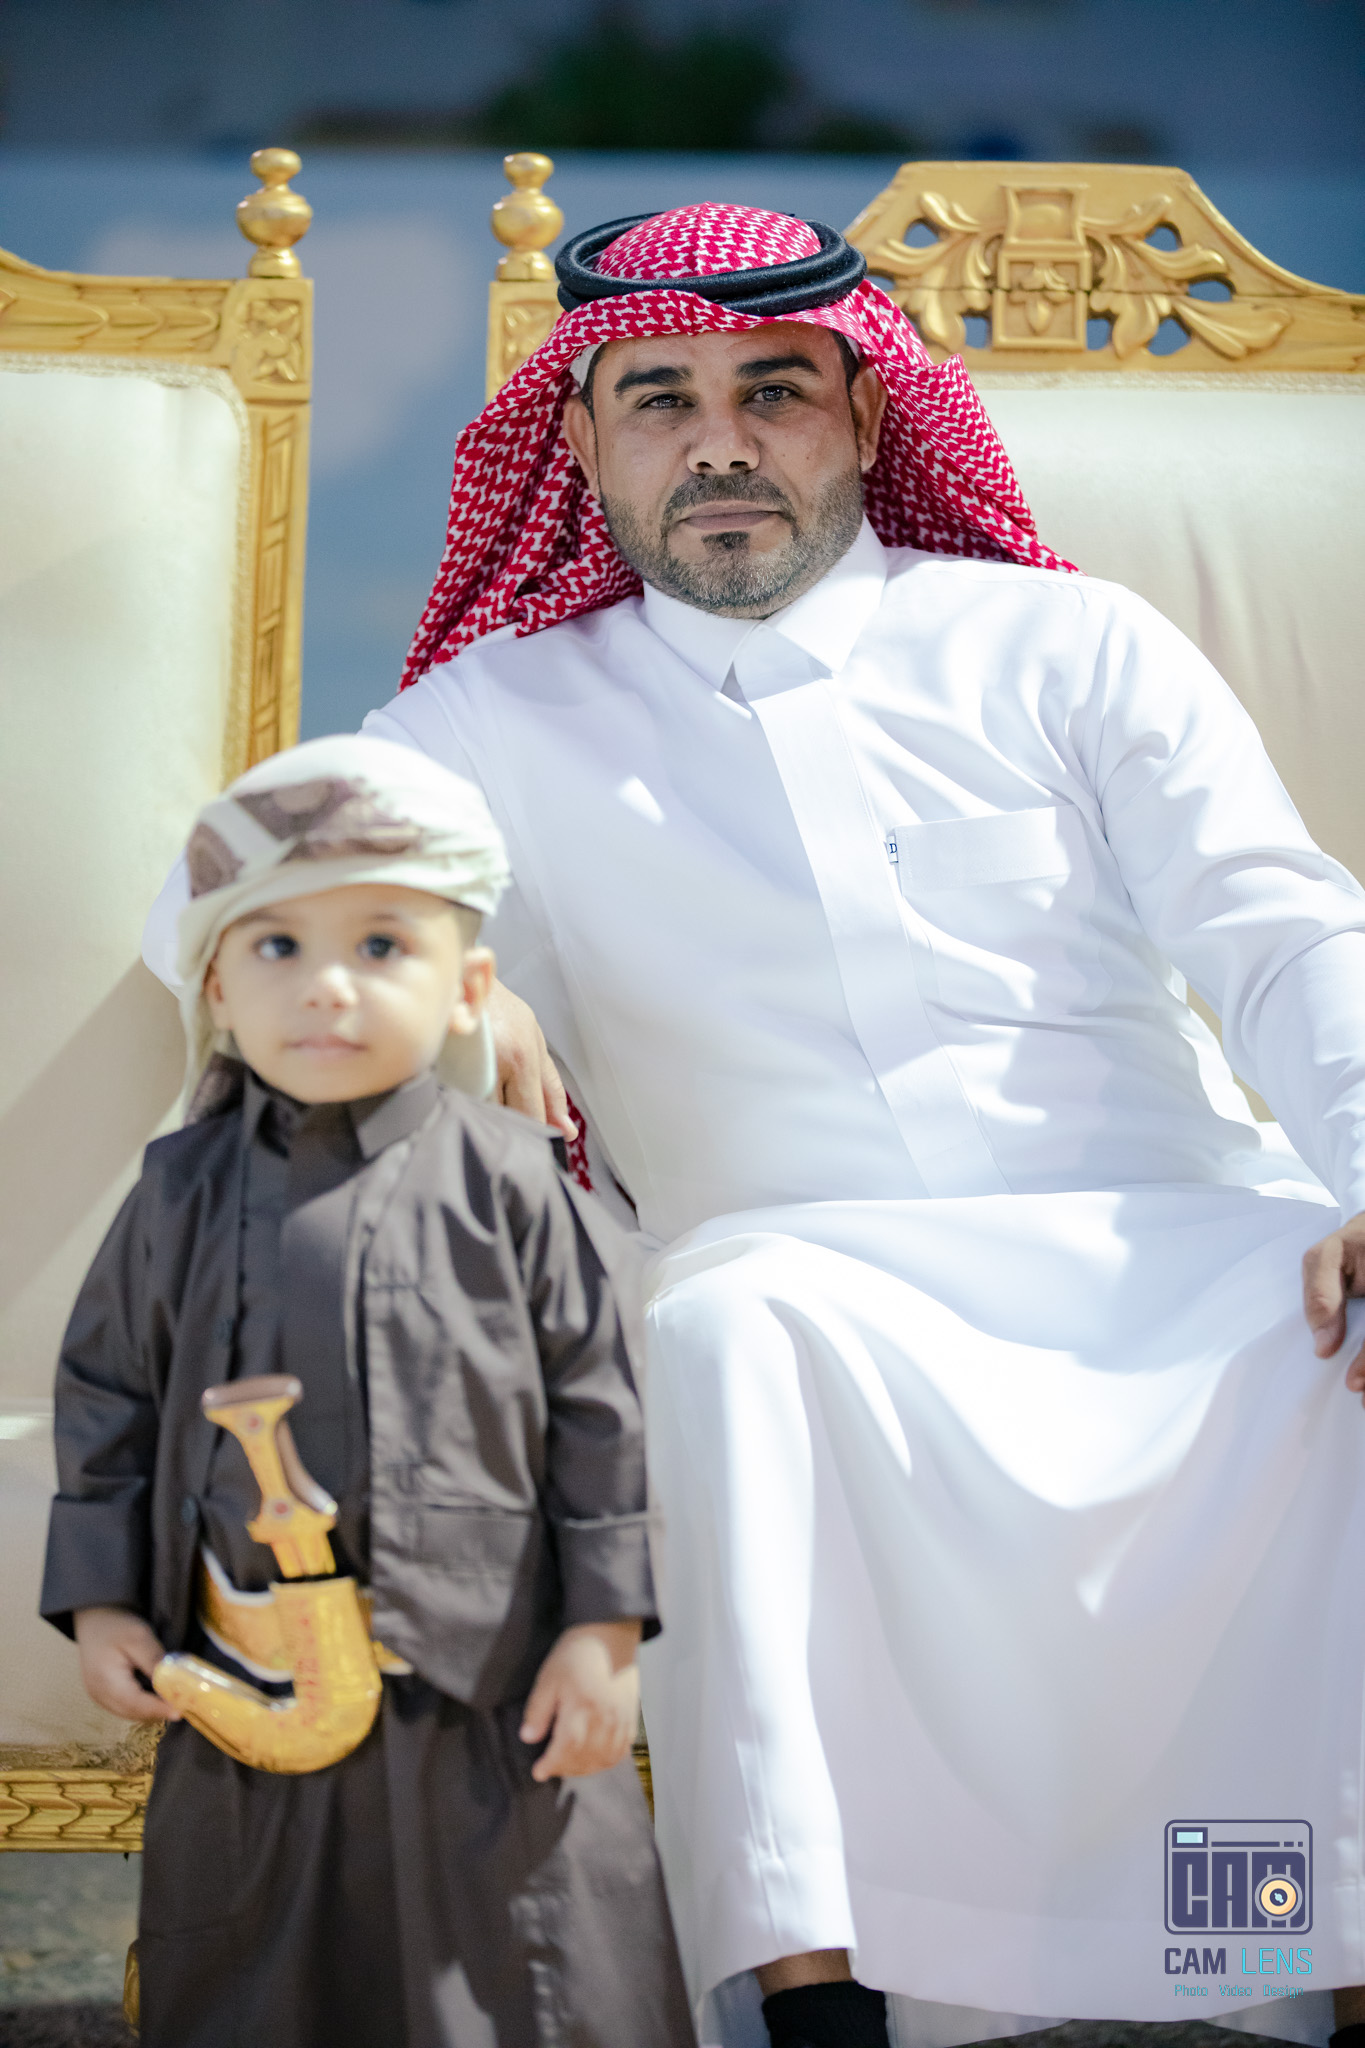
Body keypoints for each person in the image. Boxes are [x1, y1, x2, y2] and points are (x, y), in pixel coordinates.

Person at [140, 206, 1365, 2048]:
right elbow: (226, 884)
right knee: (725, 1339)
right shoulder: (494, 718)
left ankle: (1296, 1944)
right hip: (788, 1267)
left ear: (864, 416)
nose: (718, 443)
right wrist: (451, 978)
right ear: (579, 439)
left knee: (1324, 1332)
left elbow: (1282, 932)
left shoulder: (1064, 644)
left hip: (1168, 1239)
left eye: (772, 392)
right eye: (661, 399)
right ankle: (818, 1990)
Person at [46, 734, 694, 2048]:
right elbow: (108, 1403)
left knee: (521, 1968)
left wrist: (603, 1634)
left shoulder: (514, 1184)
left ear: (470, 988)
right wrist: (104, 1597)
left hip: (489, 1691)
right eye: (278, 945)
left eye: (382, 945)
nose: (327, 987)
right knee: (264, 1975)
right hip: (248, 1682)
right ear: (215, 983)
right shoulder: (176, 1194)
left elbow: (601, 1417)